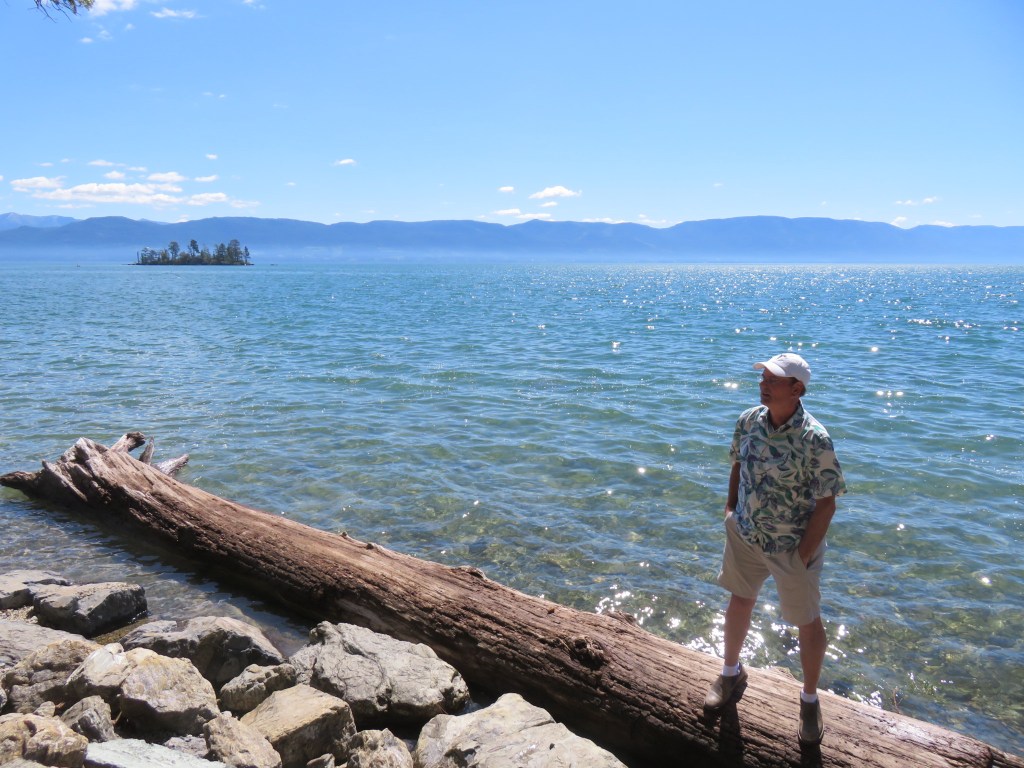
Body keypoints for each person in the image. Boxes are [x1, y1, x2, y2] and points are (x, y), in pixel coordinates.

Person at [703, 352, 847, 746]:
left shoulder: (815, 438)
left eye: (773, 380)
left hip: (791, 545)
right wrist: (730, 511)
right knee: (739, 600)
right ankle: (730, 672)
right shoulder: (749, 420)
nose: (763, 385)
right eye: (763, 377)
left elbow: (827, 503)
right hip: (746, 534)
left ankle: (809, 699)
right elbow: (737, 464)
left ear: (797, 389)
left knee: (807, 621)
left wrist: (803, 555)